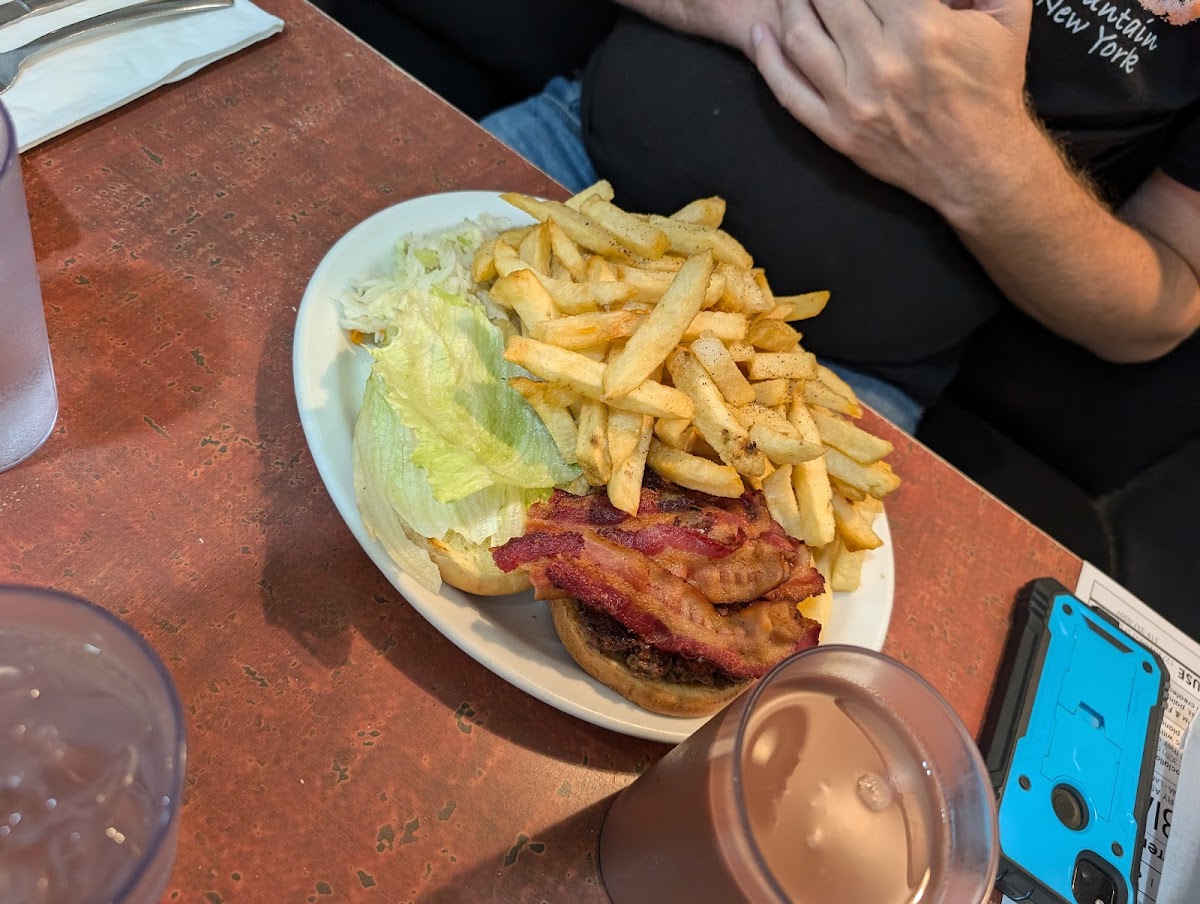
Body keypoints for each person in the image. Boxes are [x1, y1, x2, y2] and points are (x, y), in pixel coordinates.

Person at [481, 0, 1200, 434]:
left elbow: (1159, 313)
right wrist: (785, 24)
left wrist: (983, 161)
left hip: (821, 378)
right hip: (570, 164)